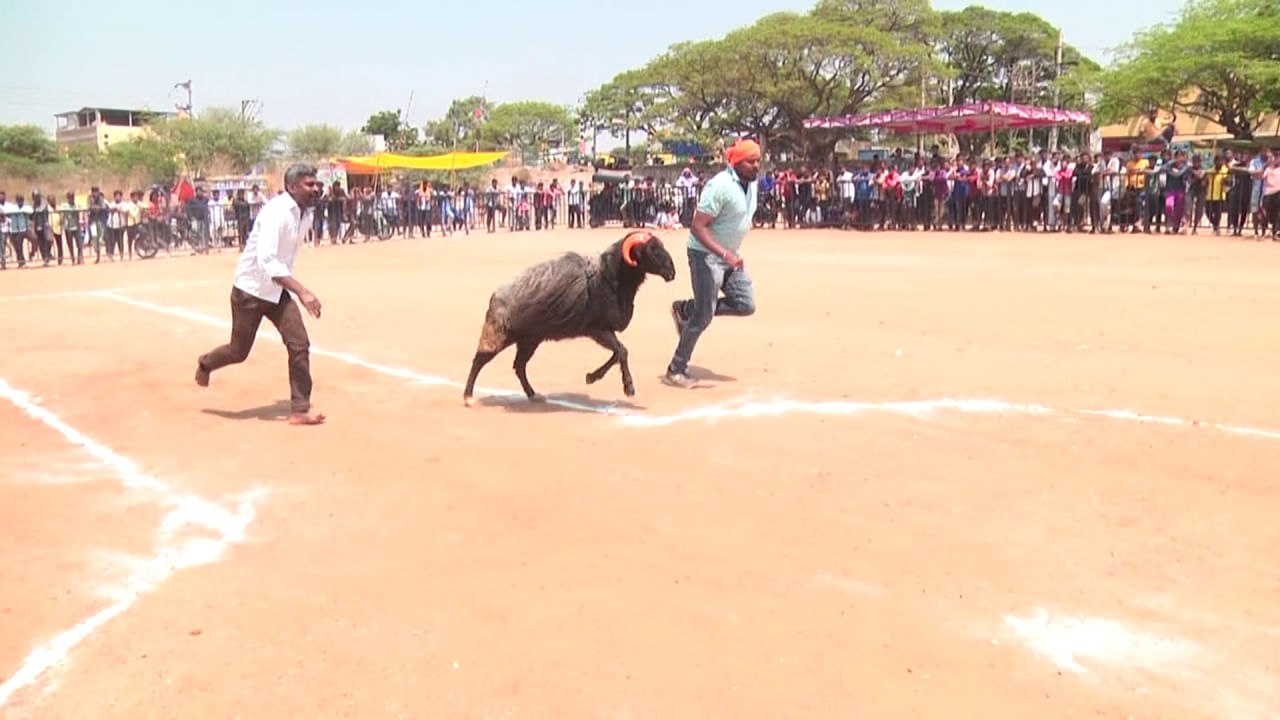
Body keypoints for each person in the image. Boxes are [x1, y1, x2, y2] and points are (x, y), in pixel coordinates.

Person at [194, 164, 327, 426]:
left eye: (316, 184)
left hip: (277, 291)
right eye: (309, 185)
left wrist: (291, 289)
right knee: (238, 351)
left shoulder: (305, 215)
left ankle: (300, 409)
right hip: (250, 291)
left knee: (299, 343)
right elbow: (266, 260)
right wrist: (302, 291)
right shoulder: (276, 212)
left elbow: (282, 262)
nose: (316, 189)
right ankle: (206, 363)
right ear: (292, 187)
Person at [663, 138, 760, 389]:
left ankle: (687, 309)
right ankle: (676, 369)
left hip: (729, 255)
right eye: (751, 161)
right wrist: (724, 254)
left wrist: (730, 252)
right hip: (706, 255)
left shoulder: (752, 183)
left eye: (758, 160)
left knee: (745, 304)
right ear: (737, 162)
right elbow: (697, 226)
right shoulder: (720, 186)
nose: (756, 165)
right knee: (704, 316)